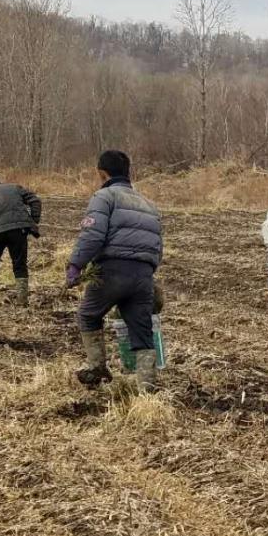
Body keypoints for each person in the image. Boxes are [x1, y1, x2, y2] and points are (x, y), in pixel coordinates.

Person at [66, 150, 163, 390]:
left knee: (88, 315)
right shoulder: (148, 204)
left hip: (111, 269)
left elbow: (93, 234)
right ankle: (147, 387)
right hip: (143, 274)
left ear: (101, 172)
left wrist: (76, 264)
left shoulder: (104, 196)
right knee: (142, 330)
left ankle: (97, 368)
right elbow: (157, 245)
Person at [0, 172, 42, 305]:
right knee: (19, 264)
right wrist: (33, 220)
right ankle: (22, 300)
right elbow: (35, 201)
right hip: (18, 230)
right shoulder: (15, 188)